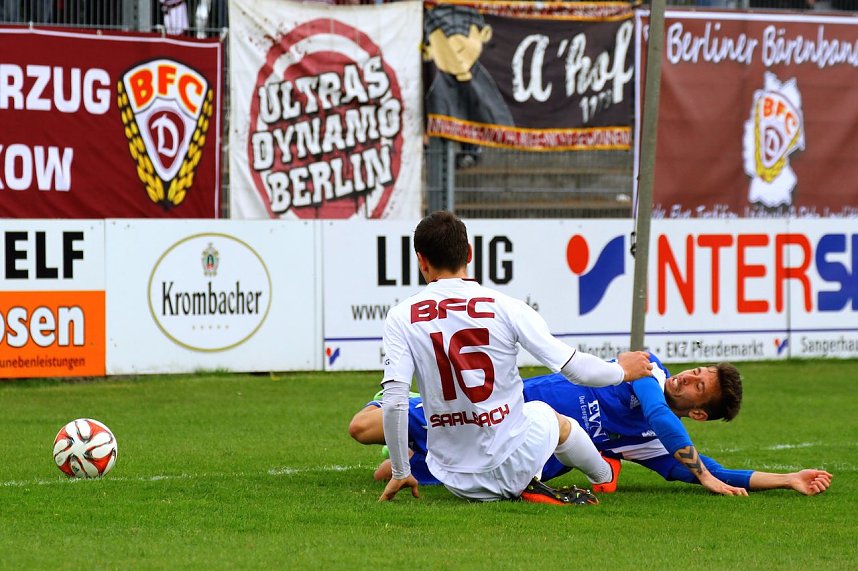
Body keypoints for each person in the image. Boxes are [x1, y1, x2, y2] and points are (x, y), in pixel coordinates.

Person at [378, 210, 661, 504]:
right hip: (511, 460)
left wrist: (400, 470)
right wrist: (622, 371)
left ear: (421, 260)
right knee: (548, 416)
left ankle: (525, 481)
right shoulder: (507, 307)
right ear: (470, 254)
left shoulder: (401, 316)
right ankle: (603, 476)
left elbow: (395, 400)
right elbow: (575, 369)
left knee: (523, 418)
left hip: (453, 478)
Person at [352, 354, 832, 496]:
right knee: (363, 428)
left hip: (514, 444)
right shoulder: (649, 370)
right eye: (698, 372)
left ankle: (422, 457)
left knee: (404, 473)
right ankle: (408, 402)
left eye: (698, 388)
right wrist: (703, 476)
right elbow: (662, 415)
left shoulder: (650, 444)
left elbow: (721, 472)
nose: (689, 378)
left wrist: (789, 479)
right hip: (493, 404)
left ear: (701, 413)